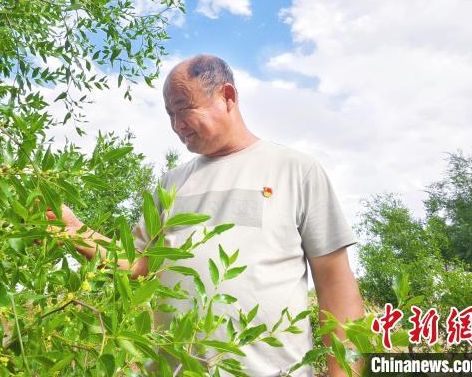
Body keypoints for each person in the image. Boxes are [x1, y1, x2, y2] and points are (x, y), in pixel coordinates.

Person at [46, 54, 364, 376]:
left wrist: (344, 372)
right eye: (170, 114)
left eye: (183, 108)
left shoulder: (296, 170)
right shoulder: (171, 184)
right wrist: (74, 230)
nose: (176, 125)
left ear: (227, 97)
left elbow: (335, 282)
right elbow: (138, 262)